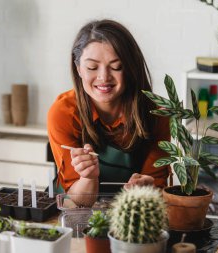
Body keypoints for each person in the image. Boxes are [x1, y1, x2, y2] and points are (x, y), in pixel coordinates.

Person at [47, 19, 171, 197]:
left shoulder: (156, 114)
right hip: (73, 209)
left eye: (116, 67)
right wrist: (88, 178)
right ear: (78, 69)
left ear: (130, 68)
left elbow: (156, 185)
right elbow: (75, 199)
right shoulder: (63, 112)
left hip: (130, 212)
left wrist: (147, 187)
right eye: (92, 67)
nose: (103, 77)